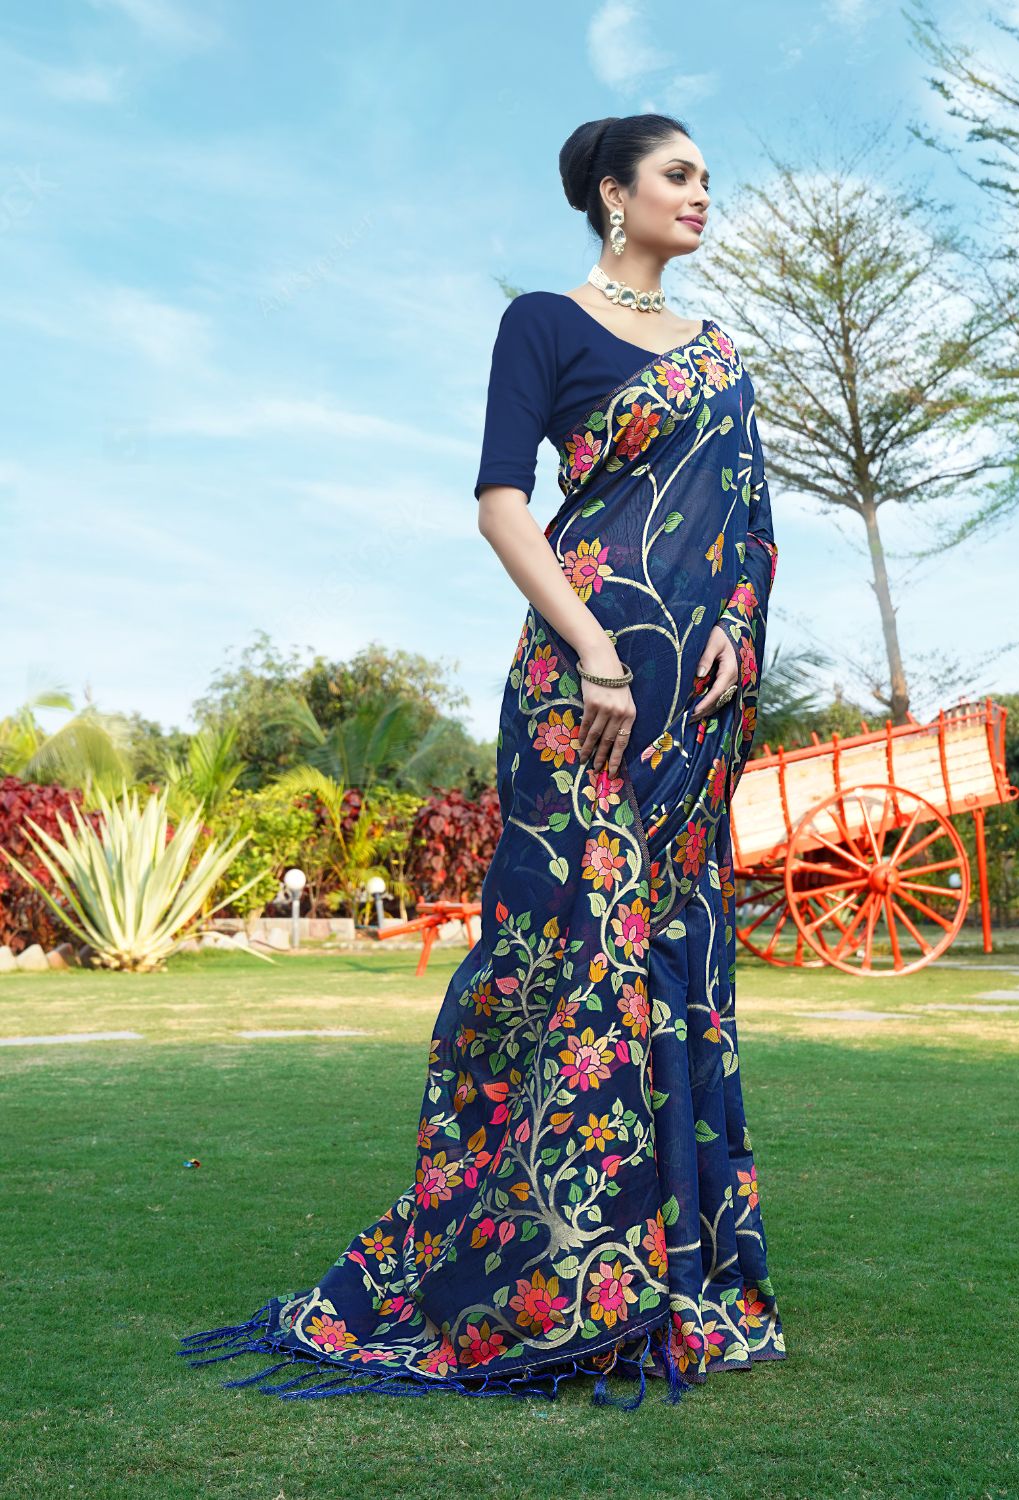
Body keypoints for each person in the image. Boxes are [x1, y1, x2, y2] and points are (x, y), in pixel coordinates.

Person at [176, 113, 785, 1412]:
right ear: (614, 193)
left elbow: (746, 514)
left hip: (692, 707)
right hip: (582, 690)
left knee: (673, 952)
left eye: (706, 178)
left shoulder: (722, 353)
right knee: (564, 947)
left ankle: (675, 1284)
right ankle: (538, 1273)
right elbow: (502, 501)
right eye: (678, 175)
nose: (701, 195)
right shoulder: (544, 326)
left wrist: (737, 627)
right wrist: (596, 651)